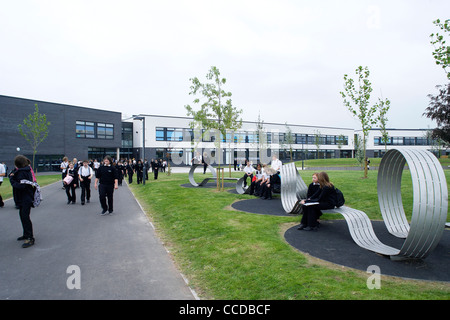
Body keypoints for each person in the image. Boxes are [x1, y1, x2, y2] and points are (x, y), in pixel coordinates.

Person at [9, 155, 36, 248]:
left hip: (25, 198)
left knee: (25, 217)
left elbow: (21, 186)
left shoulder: (23, 172)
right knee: (22, 216)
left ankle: (30, 237)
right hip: (23, 198)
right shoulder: (22, 171)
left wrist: (12, 180)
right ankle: (26, 234)